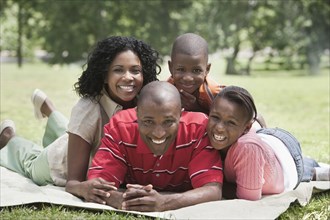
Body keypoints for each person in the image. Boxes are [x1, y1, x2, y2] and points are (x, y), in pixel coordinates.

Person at [0, 36, 161, 204]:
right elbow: (73, 183)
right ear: (105, 75)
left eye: (135, 70)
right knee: (29, 161)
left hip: (80, 140)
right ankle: (8, 136)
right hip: (58, 163)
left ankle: (49, 109)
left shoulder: (143, 101)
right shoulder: (88, 109)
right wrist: (83, 188)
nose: (128, 77)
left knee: (70, 131)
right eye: (118, 70)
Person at [87, 81, 223, 212]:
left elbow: (213, 189)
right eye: (148, 122)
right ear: (137, 113)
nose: (159, 133)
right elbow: (98, 184)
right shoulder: (120, 127)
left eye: (168, 121)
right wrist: (124, 199)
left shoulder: (198, 129)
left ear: (181, 114)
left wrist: (165, 203)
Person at [206, 85, 330, 201]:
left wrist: (216, 186)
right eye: (215, 117)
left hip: (285, 153)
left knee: (306, 169)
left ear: (246, 128)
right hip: (263, 142)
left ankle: (315, 171)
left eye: (231, 122)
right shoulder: (205, 129)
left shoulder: (248, 149)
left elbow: (249, 197)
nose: (219, 127)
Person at [167, 33, 266, 128]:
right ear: (171, 68)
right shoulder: (165, 91)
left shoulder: (214, 92)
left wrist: (195, 108)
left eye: (196, 70)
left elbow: (239, 115)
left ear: (207, 70)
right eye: (181, 69)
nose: (188, 78)